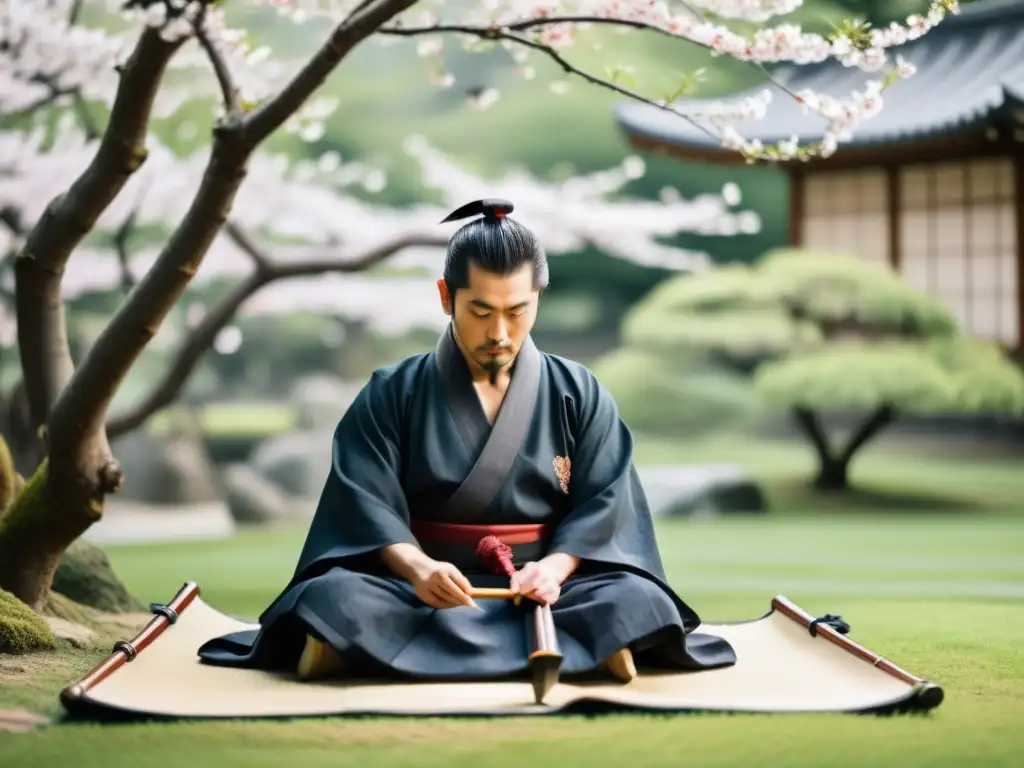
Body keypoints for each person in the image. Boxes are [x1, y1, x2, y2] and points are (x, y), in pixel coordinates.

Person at [197, 198, 737, 684]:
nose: (499, 331)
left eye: (517, 310)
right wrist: (417, 567)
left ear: (538, 300)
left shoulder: (578, 392)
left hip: (546, 591)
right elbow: (362, 501)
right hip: (418, 590)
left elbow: (607, 502)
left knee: (636, 600)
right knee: (333, 597)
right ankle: (574, 655)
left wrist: (554, 569)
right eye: (481, 311)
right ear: (445, 297)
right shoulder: (393, 392)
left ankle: (385, 657)